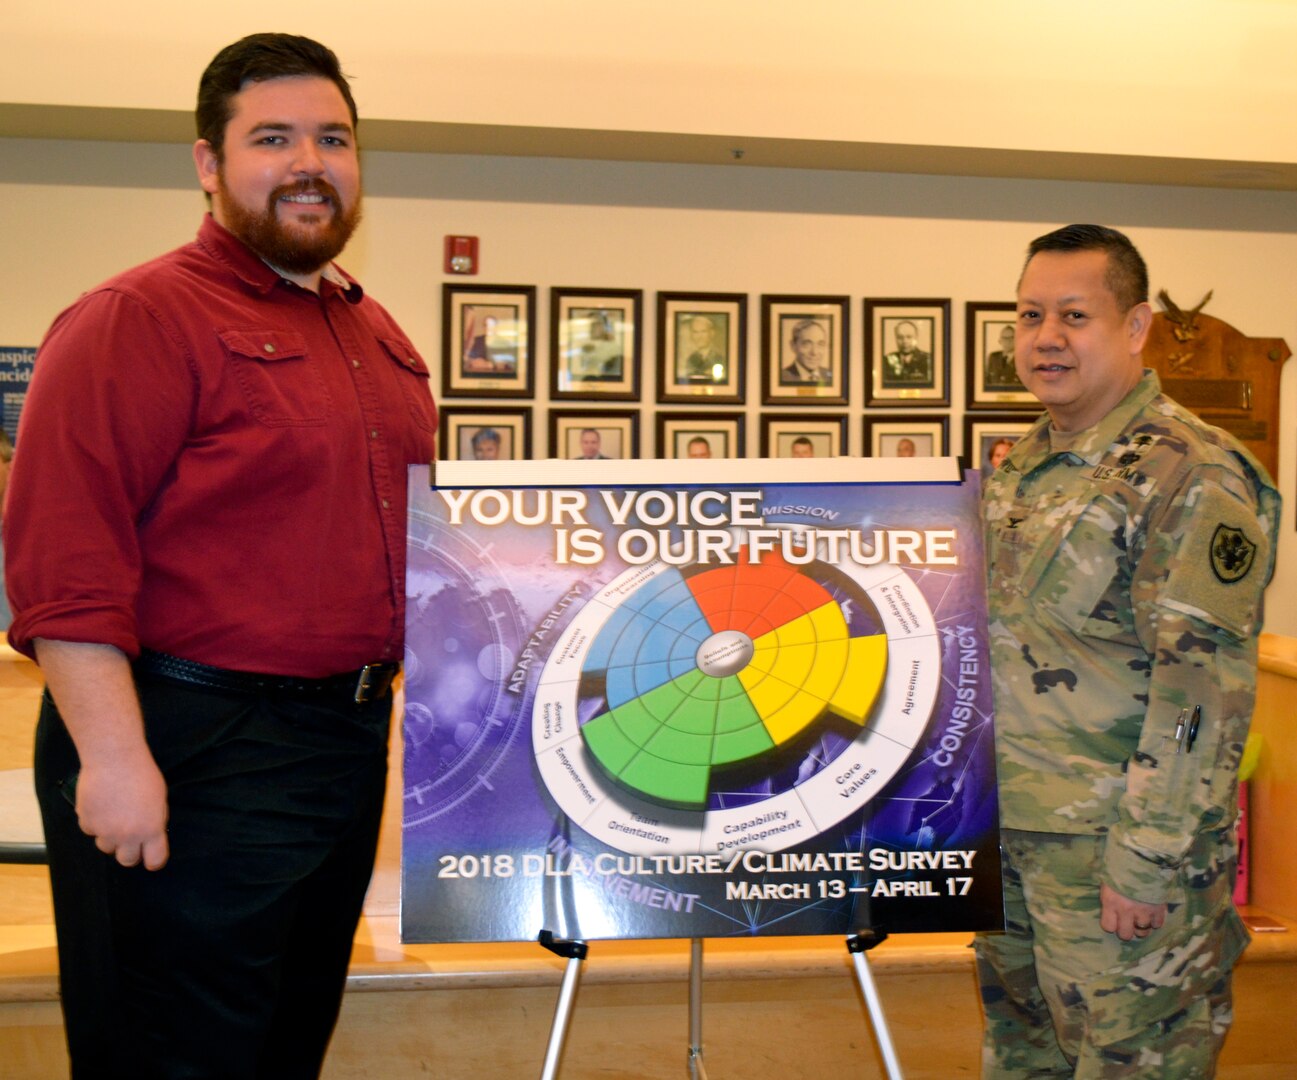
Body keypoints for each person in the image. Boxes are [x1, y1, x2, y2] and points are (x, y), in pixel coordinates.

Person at [4, 33, 439, 1078]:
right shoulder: (136, 318)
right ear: (209, 164)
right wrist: (112, 761)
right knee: (176, 1057)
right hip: (189, 747)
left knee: (281, 1048)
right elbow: (65, 561)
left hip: (339, 744)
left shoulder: (372, 333)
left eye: (333, 138)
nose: (309, 162)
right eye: (272, 138)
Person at [975, 224, 1279, 1077]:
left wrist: (1146, 859)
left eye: (1074, 315)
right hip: (1015, 845)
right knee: (1022, 1059)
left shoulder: (1196, 474)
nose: (1045, 337)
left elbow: (1200, 700)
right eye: (1029, 314)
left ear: (1136, 327)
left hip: (1117, 860)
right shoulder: (1024, 466)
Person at [780, 318, 832, 384]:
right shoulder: (782, 377)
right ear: (793, 346)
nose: (814, 352)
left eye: (820, 344)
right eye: (807, 344)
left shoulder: (829, 375)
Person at [680, 315, 726, 382]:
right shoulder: (691, 358)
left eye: (703, 331)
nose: (699, 337)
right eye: (695, 332)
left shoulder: (720, 358)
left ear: (712, 333)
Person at [984, 324, 1021, 390]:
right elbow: (987, 381)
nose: (1008, 341)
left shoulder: (1023, 359)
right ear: (1000, 341)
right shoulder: (993, 357)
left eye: (1012, 337)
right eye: (1005, 338)